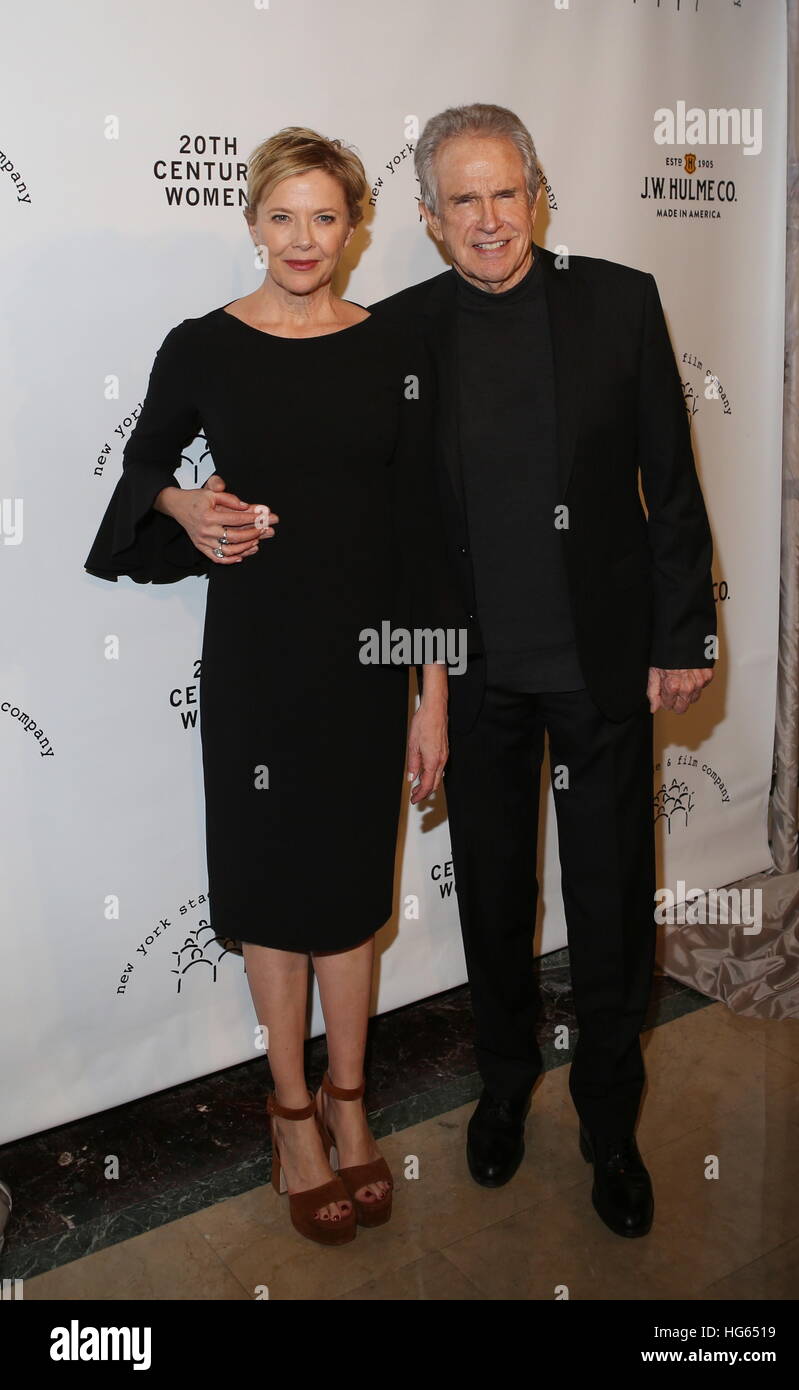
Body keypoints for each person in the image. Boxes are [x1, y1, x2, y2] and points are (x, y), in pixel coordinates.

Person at [85, 126, 466, 1247]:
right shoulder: (202, 346)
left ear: (355, 229)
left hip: (368, 667)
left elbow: (424, 538)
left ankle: (350, 1102)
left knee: (351, 893)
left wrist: (431, 697)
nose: (304, 239)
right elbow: (142, 472)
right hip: (256, 660)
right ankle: (290, 1110)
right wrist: (183, 509)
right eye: (283, 216)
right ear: (252, 223)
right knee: (269, 889)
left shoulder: (396, 349)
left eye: (326, 218)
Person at [369, 103, 717, 1238]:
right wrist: (421, 687)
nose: (488, 220)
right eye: (461, 200)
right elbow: (404, 544)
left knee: (611, 904)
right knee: (498, 898)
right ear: (427, 218)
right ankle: (505, 1083)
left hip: (602, 664)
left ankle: (610, 1120)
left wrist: (681, 635)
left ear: (539, 194)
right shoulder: (399, 333)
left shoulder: (619, 301)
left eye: (505, 192)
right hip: (474, 683)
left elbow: (668, 483)